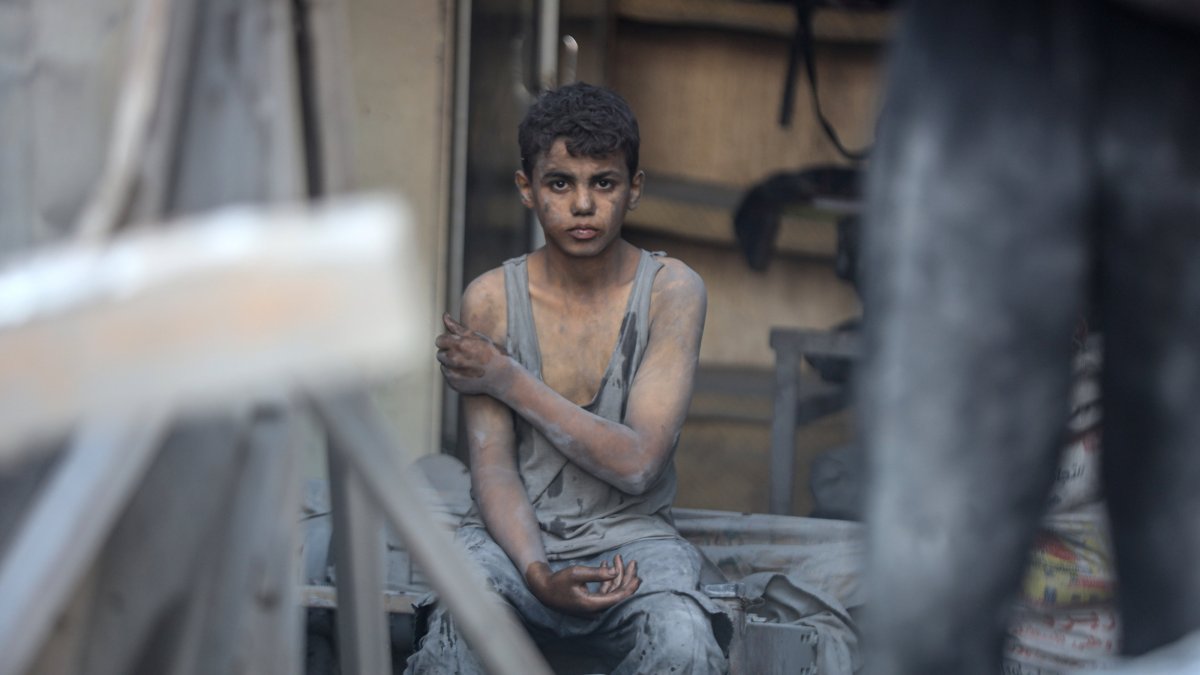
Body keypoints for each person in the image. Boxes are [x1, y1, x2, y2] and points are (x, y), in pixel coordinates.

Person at [406, 82, 728, 674]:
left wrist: (504, 377)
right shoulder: (491, 299)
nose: (583, 205)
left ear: (634, 189)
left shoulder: (671, 291)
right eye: (560, 183)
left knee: (684, 644)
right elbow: (493, 470)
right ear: (527, 189)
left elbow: (638, 465)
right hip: (509, 544)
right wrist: (537, 573)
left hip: (632, 543)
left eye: (603, 183)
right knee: (455, 638)